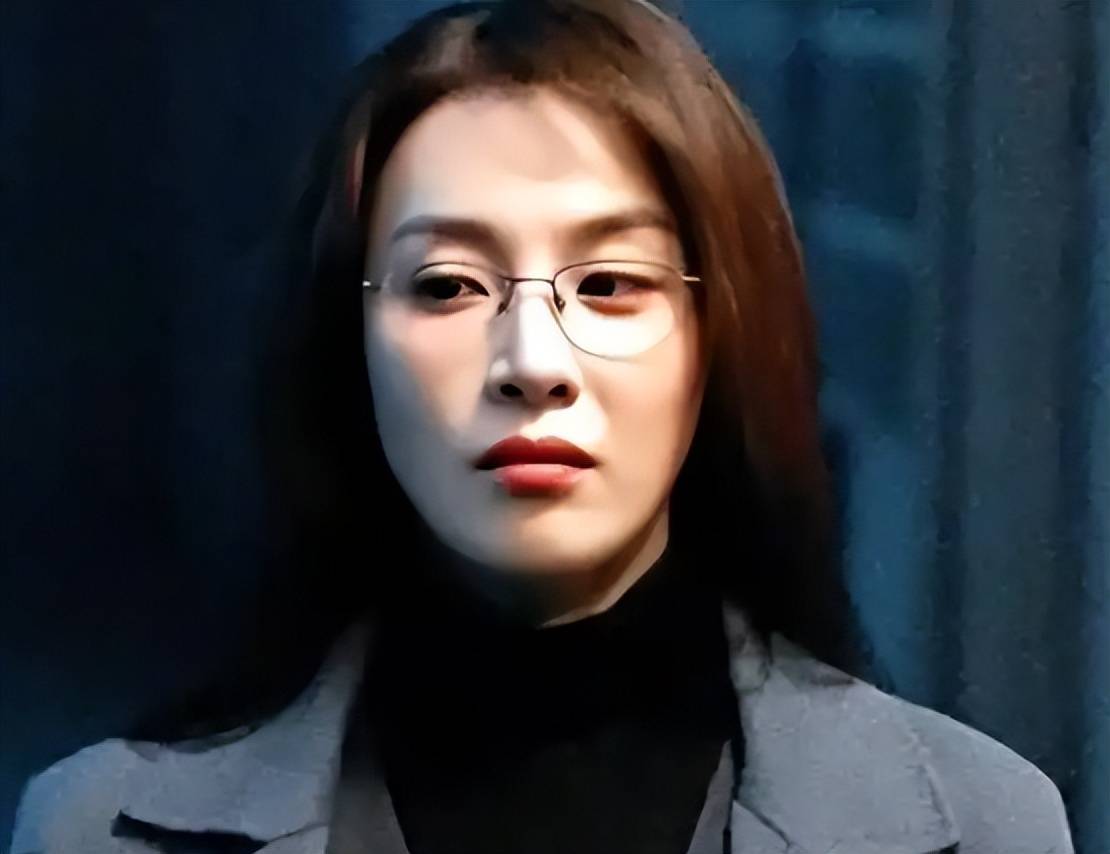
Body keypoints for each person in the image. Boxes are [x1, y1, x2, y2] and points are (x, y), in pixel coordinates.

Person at [10, 2, 1075, 853]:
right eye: (448, 285)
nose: (532, 362)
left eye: (608, 283)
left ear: (720, 333)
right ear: (347, 343)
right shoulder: (95, 829)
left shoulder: (983, 826)